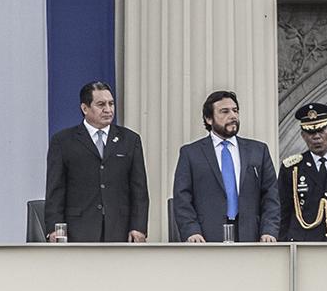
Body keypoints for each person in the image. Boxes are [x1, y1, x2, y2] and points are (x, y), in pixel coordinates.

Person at [43, 81, 148, 243]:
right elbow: (55, 190)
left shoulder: (130, 140)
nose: (108, 109)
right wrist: (55, 229)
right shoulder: (63, 141)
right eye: (101, 104)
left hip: (119, 230)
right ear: (85, 108)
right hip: (78, 230)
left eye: (111, 104)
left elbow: (139, 189)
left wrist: (139, 227)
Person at [172, 90, 279, 243]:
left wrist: (269, 230)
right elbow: (182, 197)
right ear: (209, 119)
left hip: (252, 236)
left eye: (235, 111)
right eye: (225, 111)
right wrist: (191, 231)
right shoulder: (191, 153)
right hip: (206, 237)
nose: (233, 116)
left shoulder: (258, 150)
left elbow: (271, 195)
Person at [279, 102, 327, 243]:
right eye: (310, 132)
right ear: (303, 136)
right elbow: (283, 212)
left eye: (321, 130)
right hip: (304, 242)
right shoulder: (292, 168)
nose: (316, 137)